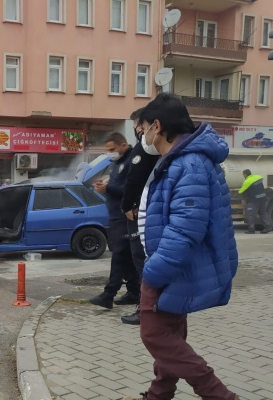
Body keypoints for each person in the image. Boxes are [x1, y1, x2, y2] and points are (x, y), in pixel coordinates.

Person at [122, 93, 240, 400]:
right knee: (170, 333)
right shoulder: (181, 160)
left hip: (168, 267)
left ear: (157, 127)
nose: (141, 133)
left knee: (154, 334)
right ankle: (159, 393)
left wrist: (154, 271)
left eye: (144, 127)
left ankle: (219, 395)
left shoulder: (189, 163)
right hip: (171, 264)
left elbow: (186, 229)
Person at [118, 108, 161, 325]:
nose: (137, 130)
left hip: (139, 212)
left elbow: (133, 180)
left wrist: (126, 204)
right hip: (147, 210)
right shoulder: (155, 149)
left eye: (139, 125)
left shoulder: (145, 150)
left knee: (142, 261)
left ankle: (146, 310)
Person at [89, 132, 140, 309]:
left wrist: (108, 187)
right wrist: (106, 186)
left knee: (119, 254)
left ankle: (109, 294)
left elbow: (130, 187)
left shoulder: (132, 160)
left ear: (123, 145)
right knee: (125, 256)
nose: (110, 153)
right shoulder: (118, 162)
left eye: (112, 149)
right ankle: (134, 292)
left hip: (124, 216)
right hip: (116, 216)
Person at [238, 169, 272, 234]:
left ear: (245, 174)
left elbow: (241, 191)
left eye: (243, 174)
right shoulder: (257, 177)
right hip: (263, 198)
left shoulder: (247, 181)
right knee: (263, 213)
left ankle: (251, 229)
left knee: (251, 214)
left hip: (254, 200)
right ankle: (268, 227)